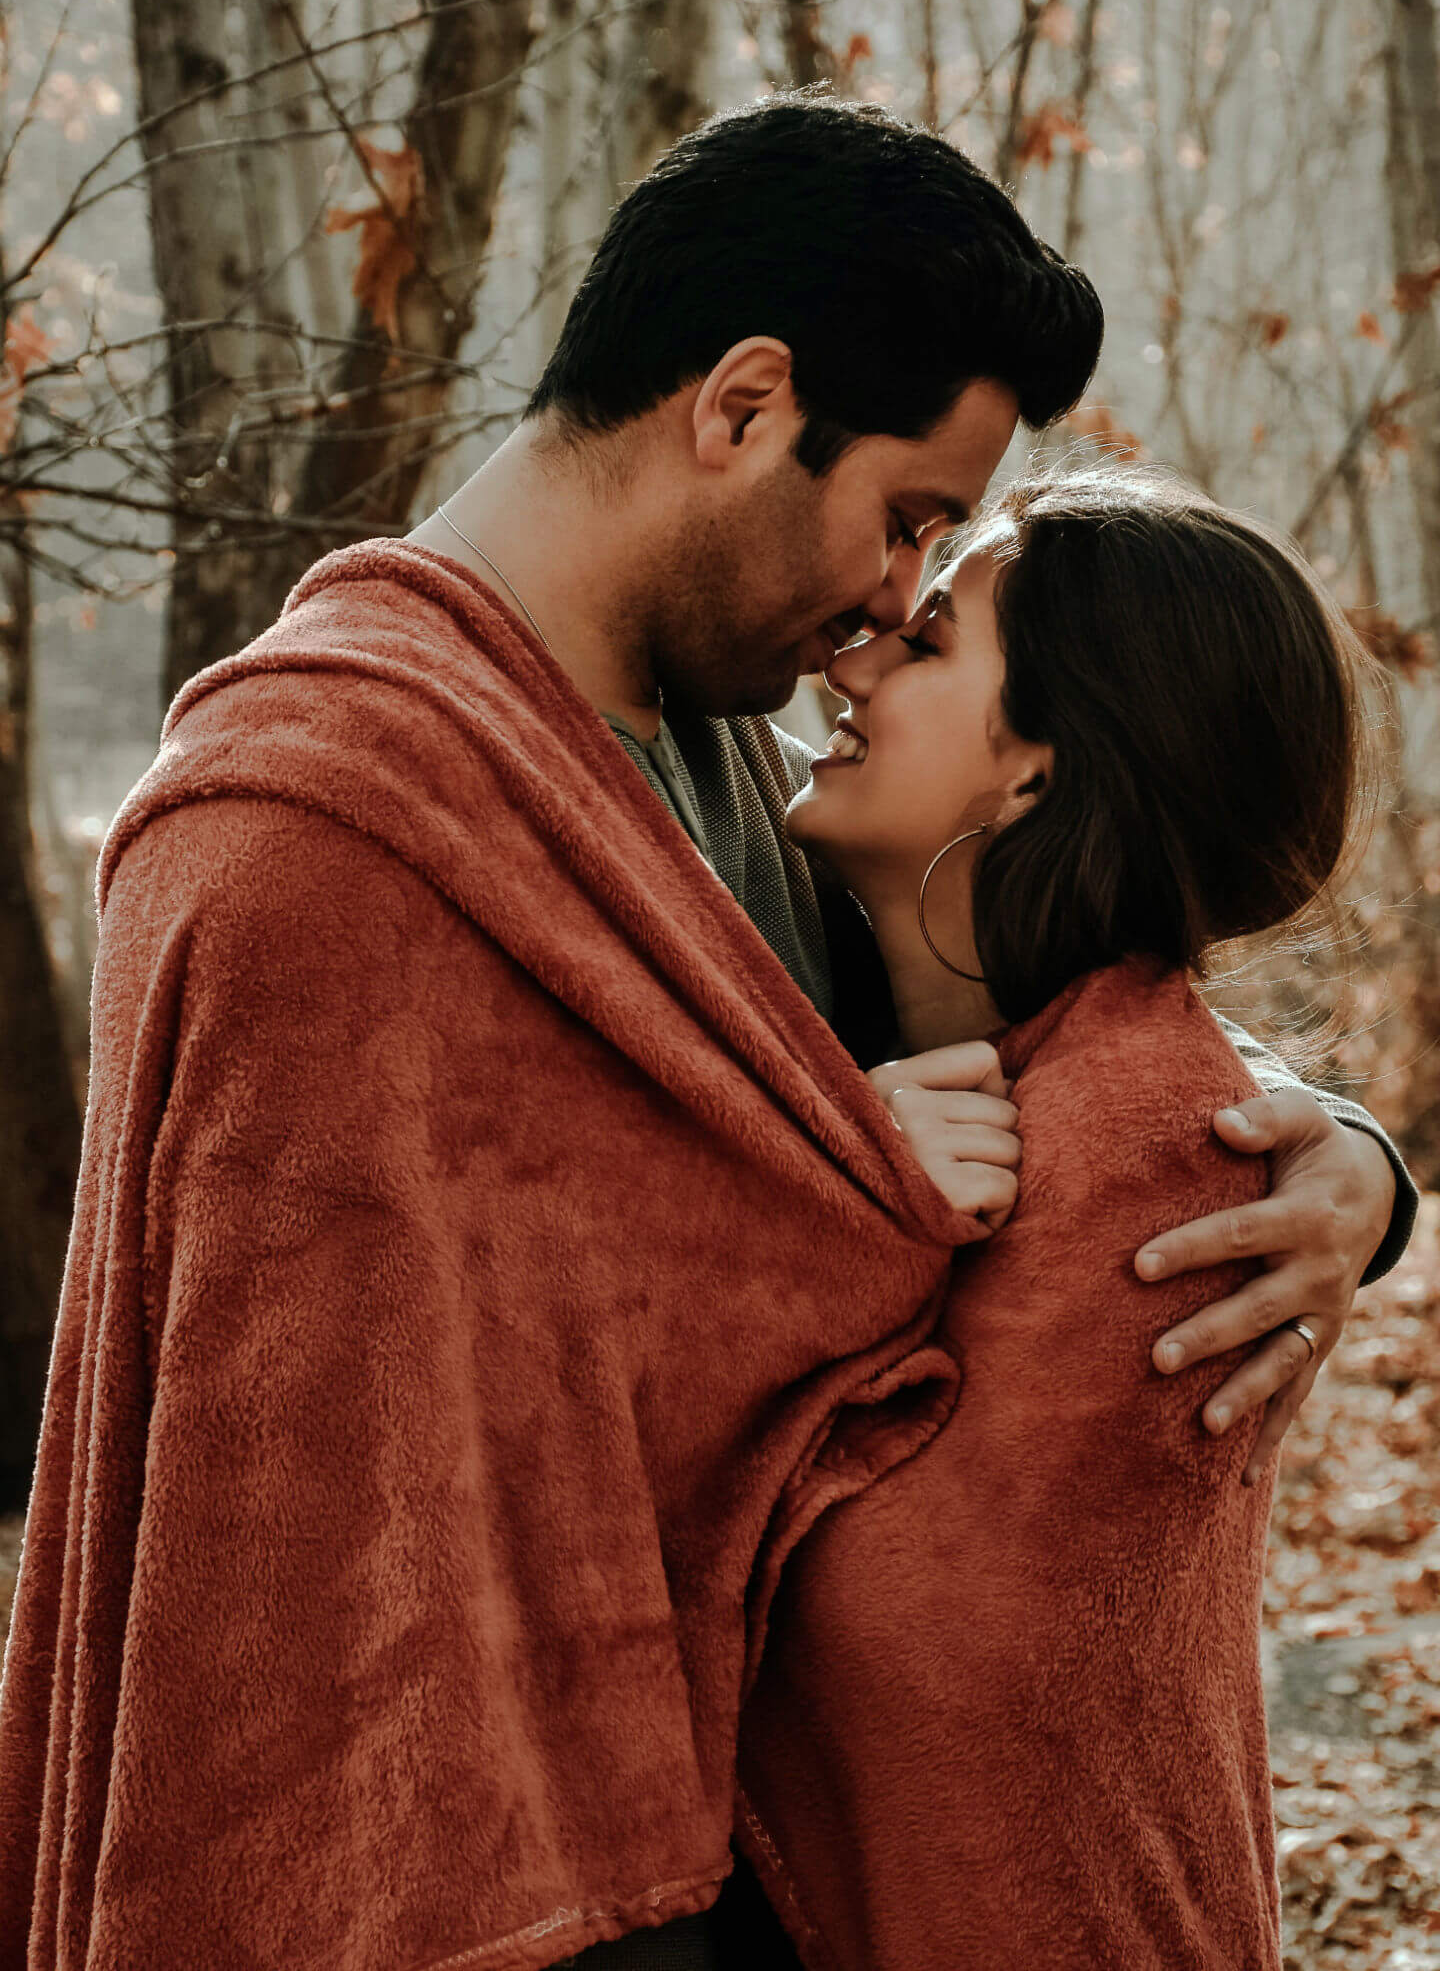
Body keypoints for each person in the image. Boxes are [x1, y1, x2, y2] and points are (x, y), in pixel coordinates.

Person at [0, 100, 1413, 1971]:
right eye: (907, 517)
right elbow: (331, 1507)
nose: (900, 600)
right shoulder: (307, 841)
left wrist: (1340, 1160)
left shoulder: (725, 739)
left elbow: (1038, 1007)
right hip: (493, 1897)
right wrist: (811, 1215)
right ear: (746, 408)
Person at [733, 468, 1382, 1969]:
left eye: (935, 636)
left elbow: (895, 1627)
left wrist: (797, 1215)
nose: (855, 652)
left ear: (1033, 774)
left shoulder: (1145, 1138)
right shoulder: (922, 1013)